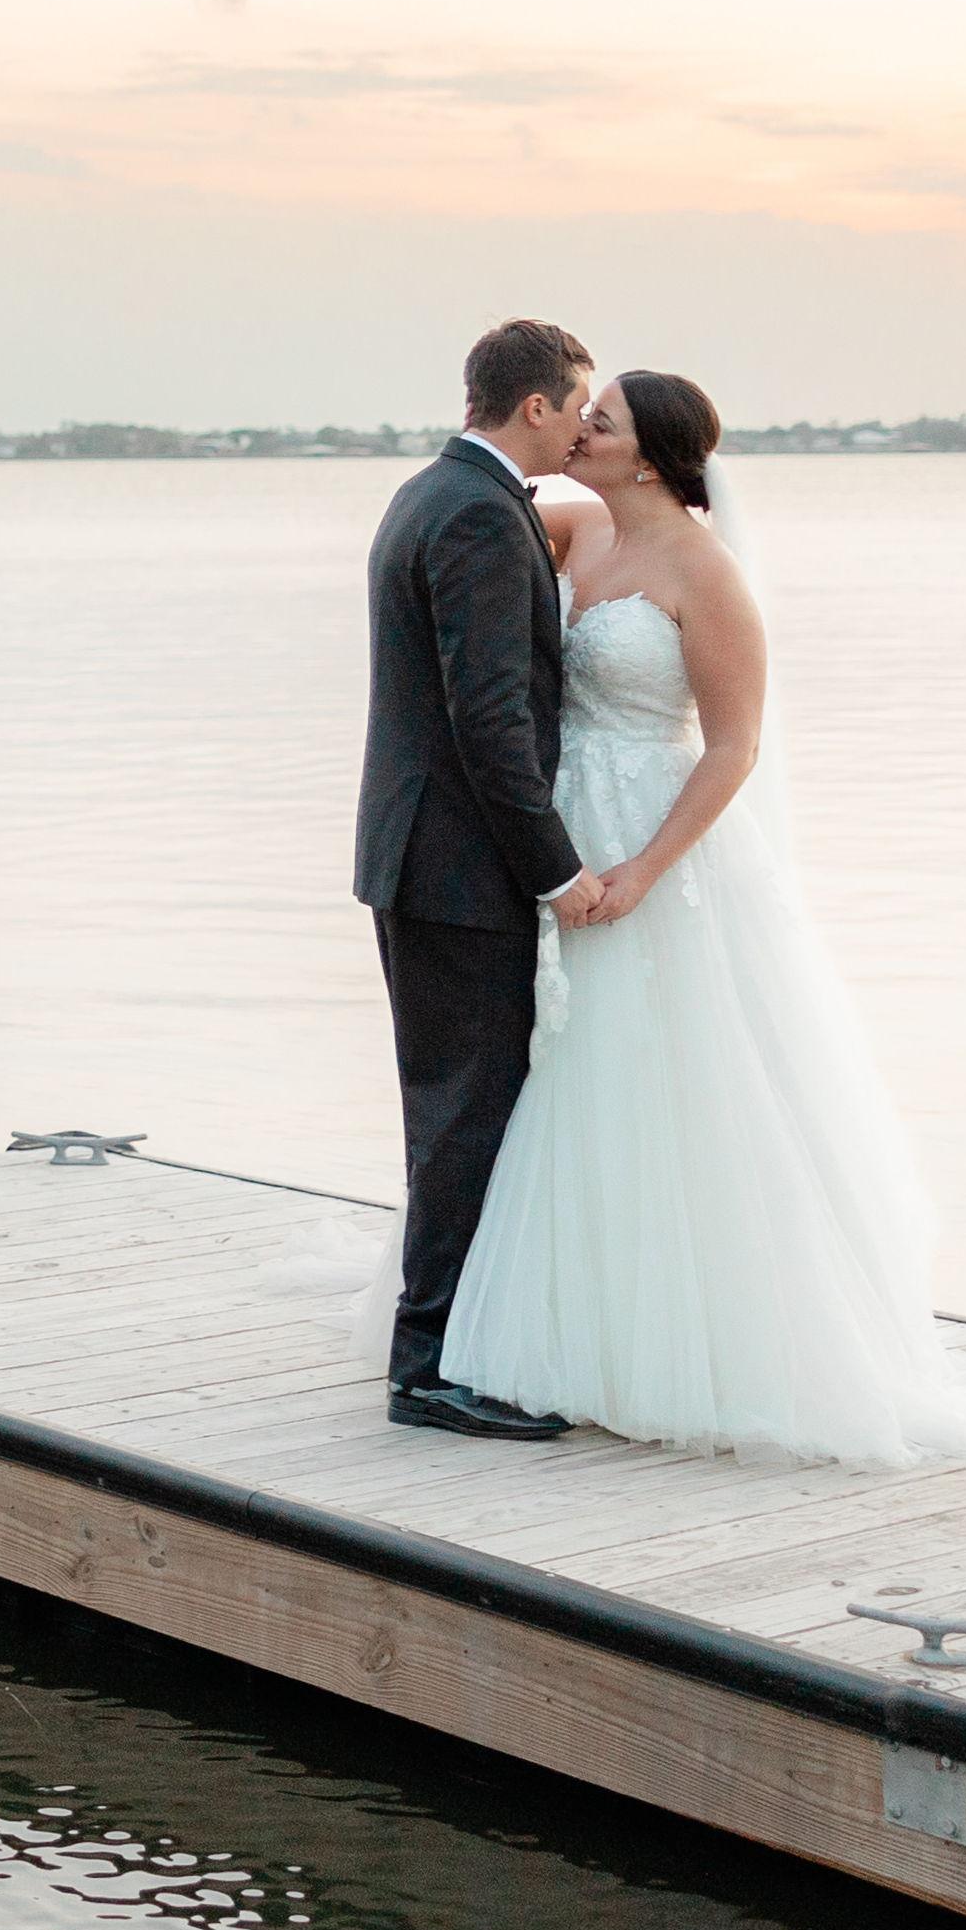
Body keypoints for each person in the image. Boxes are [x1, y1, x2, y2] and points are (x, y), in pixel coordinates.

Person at [439, 367, 966, 1465]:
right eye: (581, 415)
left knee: (646, 1067)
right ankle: (549, 1317)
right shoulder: (569, 529)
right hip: (554, 829)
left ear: (651, 456)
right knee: (549, 1065)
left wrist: (645, 870)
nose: (579, 430)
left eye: (600, 422)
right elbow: (473, 531)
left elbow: (733, 746)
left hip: (651, 837)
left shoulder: (706, 572)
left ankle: (673, 1343)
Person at [352, 317, 603, 1438]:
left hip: (421, 855)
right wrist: (555, 869)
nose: (582, 428)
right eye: (577, 407)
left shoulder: (436, 492)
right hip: (455, 868)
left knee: (450, 1111)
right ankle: (428, 1371)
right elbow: (489, 720)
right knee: (462, 1118)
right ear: (534, 404)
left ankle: (447, 1349)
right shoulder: (477, 515)